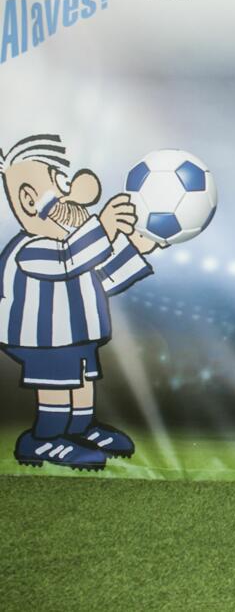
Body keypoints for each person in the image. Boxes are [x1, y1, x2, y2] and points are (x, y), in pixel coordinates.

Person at [0, 134, 158, 471]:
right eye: (61, 183)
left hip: (75, 335)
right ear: (30, 200)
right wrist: (104, 227)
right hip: (43, 340)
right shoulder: (32, 248)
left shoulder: (73, 247)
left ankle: (80, 428)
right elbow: (69, 261)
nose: (78, 195)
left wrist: (136, 251)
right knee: (58, 383)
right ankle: (43, 439)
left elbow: (102, 278)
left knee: (83, 379)